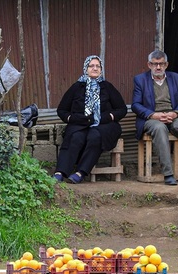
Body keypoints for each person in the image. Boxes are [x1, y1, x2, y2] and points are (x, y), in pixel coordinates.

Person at [53, 55, 127, 184]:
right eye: (91, 66)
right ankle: (60, 172)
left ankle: (81, 172)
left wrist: (108, 117)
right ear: (85, 68)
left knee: (95, 136)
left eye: (98, 66)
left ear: (101, 69)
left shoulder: (107, 87)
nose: (95, 68)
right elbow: (62, 110)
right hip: (80, 123)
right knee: (76, 137)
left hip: (104, 124)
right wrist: (71, 118)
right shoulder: (76, 87)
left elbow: (122, 109)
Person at [131, 50, 178, 185]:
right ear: (149, 64)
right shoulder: (140, 80)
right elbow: (135, 105)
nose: (158, 67)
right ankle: (168, 173)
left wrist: (176, 113)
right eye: (155, 64)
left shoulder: (176, 78)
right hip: (151, 119)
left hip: (173, 116)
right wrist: (153, 115)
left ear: (166, 65)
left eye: (161, 64)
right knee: (160, 128)